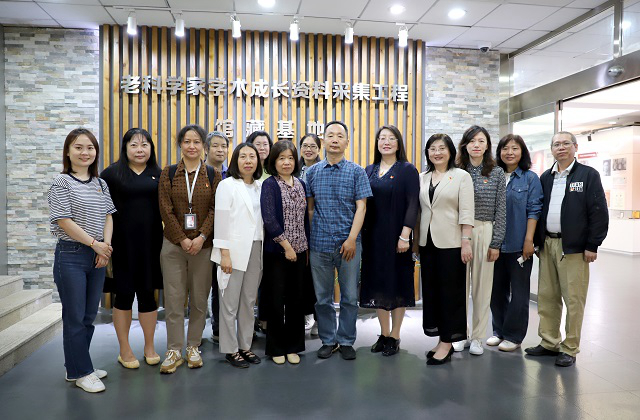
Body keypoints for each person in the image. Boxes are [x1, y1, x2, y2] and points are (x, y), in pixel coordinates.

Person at [525, 131, 608, 367]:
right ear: (551, 149)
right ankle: (549, 342)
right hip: (548, 244)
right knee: (547, 296)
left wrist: (592, 244)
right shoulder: (546, 177)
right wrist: (538, 241)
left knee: (573, 298)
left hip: (574, 248)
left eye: (565, 143)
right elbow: (539, 209)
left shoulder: (588, 175)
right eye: (556, 144)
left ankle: (570, 347)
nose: (561, 148)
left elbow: (598, 211)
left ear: (575, 147)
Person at [47, 128, 116, 392]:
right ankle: (81, 371)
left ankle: (78, 366)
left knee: (88, 316)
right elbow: (64, 221)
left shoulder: (100, 183)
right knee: (75, 316)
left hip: (97, 254)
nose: (85, 152)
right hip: (71, 255)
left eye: (90, 147)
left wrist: (104, 248)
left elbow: (109, 215)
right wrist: (95, 244)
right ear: (68, 152)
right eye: (78, 147)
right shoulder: (61, 182)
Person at [306, 120, 372, 361]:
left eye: (340, 136)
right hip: (319, 245)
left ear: (347, 142)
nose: (335, 139)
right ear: (323, 141)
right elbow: (310, 209)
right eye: (330, 135)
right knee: (322, 298)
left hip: (349, 245)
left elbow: (361, 208)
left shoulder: (357, 171)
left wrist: (352, 239)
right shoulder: (312, 172)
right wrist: (313, 236)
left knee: (350, 297)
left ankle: (345, 340)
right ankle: (328, 340)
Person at [158, 124, 220, 374]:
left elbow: (216, 209)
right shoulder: (169, 173)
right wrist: (183, 239)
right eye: (186, 141)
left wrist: (201, 236)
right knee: (173, 300)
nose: (191, 146)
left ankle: (193, 346)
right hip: (173, 245)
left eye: (196, 142)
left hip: (203, 247)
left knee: (199, 299)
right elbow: (165, 209)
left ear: (203, 146)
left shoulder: (214, 175)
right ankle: (174, 349)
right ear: (180, 145)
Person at [101, 128, 163, 369]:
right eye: (134, 145)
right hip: (121, 246)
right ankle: (124, 349)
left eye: (144, 145)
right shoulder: (111, 174)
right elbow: (102, 211)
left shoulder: (159, 174)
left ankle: (149, 347)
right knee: (124, 295)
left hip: (151, 245)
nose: (140, 150)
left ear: (151, 149)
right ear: (125, 148)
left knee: (148, 294)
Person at [361, 125, 419, 357]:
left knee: (398, 285)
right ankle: (384, 334)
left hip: (398, 239)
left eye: (391, 138)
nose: (386, 142)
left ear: (398, 143)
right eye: (382, 138)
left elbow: (413, 204)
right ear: (377, 143)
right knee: (378, 286)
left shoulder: (407, 169)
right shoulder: (369, 170)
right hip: (373, 239)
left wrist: (405, 236)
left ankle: (395, 335)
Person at [416, 133, 474, 366]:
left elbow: (467, 211)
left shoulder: (461, 176)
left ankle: (448, 342)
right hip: (427, 243)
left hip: (452, 243)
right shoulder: (422, 177)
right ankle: (441, 338)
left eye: (441, 148)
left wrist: (466, 241)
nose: (437, 152)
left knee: (451, 293)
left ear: (450, 152)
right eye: (432, 148)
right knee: (432, 293)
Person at [211, 142, 264, 368]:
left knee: (248, 301)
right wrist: (224, 253)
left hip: (256, 248)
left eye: (252, 156)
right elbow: (221, 221)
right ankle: (230, 349)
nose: (248, 161)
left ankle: (245, 346)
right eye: (243, 156)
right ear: (235, 160)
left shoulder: (261, 186)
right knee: (229, 303)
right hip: (232, 250)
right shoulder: (227, 185)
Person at [454, 125, 506, 356]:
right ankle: (460, 334)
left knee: (482, 289)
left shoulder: (496, 172)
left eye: (481, 141)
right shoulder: (456, 170)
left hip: (485, 230)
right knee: (459, 287)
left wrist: (496, 243)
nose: (476, 145)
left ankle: (477, 337)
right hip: (457, 232)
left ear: (487, 146)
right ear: (464, 145)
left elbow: (501, 209)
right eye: (472, 141)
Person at [488, 134, 543, 352]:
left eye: (515, 148)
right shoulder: (494, 176)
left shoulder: (530, 179)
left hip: (519, 245)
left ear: (522, 152)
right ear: (499, 152)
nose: (509, 152)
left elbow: (534, 210)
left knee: (519, 294)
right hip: (494, 245)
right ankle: (499, 331)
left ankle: (514, 335)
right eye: (505, 148)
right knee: (496, 292)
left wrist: (529, 240)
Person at [260, 141, 310, 364]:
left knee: (296, 300)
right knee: (275, 300)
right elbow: (269, 219)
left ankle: (294, 346)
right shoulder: (270, 184)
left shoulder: (301, 184)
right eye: (281, 158)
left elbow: (304, 219)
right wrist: (287, 247)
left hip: (300, 252)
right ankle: (276, 348)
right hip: (277, 253)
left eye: (290, 158)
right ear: (274, 161)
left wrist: (304, 250)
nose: (286, 162)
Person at [205, 130, 229, 342]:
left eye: (224, 146)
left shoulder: (232, 175)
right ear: (206, 149)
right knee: (203, 286)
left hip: (227, 239)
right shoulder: (199, 173)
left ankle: (220, 328)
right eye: (215, 146)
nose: (220, 150)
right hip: (203, 238)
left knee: (223, 284)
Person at [298, 133, 322, 335]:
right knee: (302, 276)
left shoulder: (322, 170)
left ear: (319, 149)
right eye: (305, 146)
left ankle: (318, 319)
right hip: (296, 230)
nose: (309, 149)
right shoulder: (294, 170)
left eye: (313, 146)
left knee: (317, 277)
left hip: (317, 228)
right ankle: (306, 314)